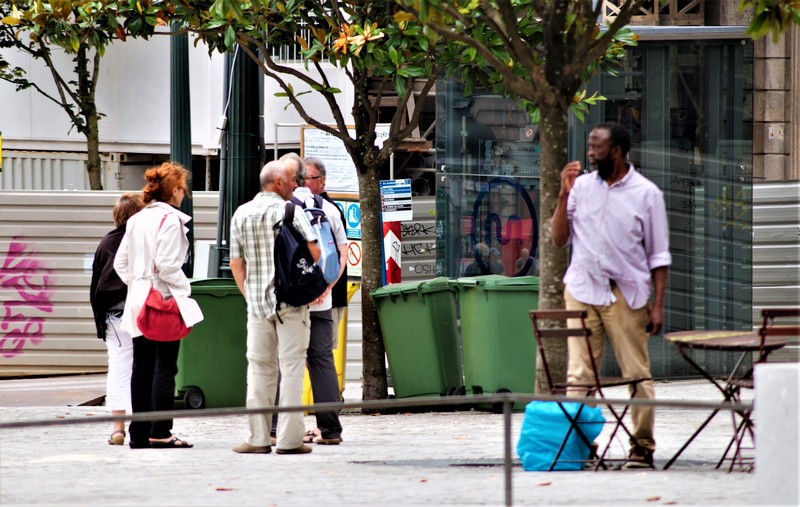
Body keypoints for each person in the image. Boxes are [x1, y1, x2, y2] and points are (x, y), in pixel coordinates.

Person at [551, 122, 671, 469]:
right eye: (590, 146)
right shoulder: (581, 187)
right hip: (582, 290)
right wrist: (563, 194)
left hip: (626, 295)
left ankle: (642, 446)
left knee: (636, 373)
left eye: (597, 147)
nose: (590, 153)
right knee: (579, 376)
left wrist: (658, 305)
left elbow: (659, 256)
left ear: (617, 151)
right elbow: (559, 239)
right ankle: (580, 447)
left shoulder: (647, 194)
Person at [229, 159, 320, 455]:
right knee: (291, 367)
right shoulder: (291, 211)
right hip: (291, 303)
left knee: (258, 369)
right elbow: (315, 252)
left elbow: (236, 262)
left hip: (256, 305)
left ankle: (257, 438)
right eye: (294, 179)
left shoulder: (241, 213)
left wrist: (250, 294)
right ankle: (290, 441)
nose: (297, 185)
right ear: (278, 182)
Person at [114, 161, 204, 449]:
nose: (184, 193)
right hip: (162, 299)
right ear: (175, 189)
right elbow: (167, 264)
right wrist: (183, 288)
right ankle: (161, 431)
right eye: (183, 188)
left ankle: (138, 434)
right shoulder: (172, 220)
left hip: (137, 300)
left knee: (142, 368)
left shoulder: (136, 219)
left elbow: (120, 262)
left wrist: (138, 282)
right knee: (165, 367)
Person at [287, 154, 347, 445]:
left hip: (289, 302)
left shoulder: (282, 208)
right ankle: (330, 429)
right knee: (322, 361)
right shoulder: (330, 210)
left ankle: (277, 429)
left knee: (284, 361)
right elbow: (342, 253)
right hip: (321, 299)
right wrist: (326, 287)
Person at [90, 192, 144, 446]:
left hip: (112, 314)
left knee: (119, 369)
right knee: (144, 368)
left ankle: (117, 428)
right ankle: (142, 423)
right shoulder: (142, 240)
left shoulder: (106, 242)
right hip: (140, 310)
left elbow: (95, 283)